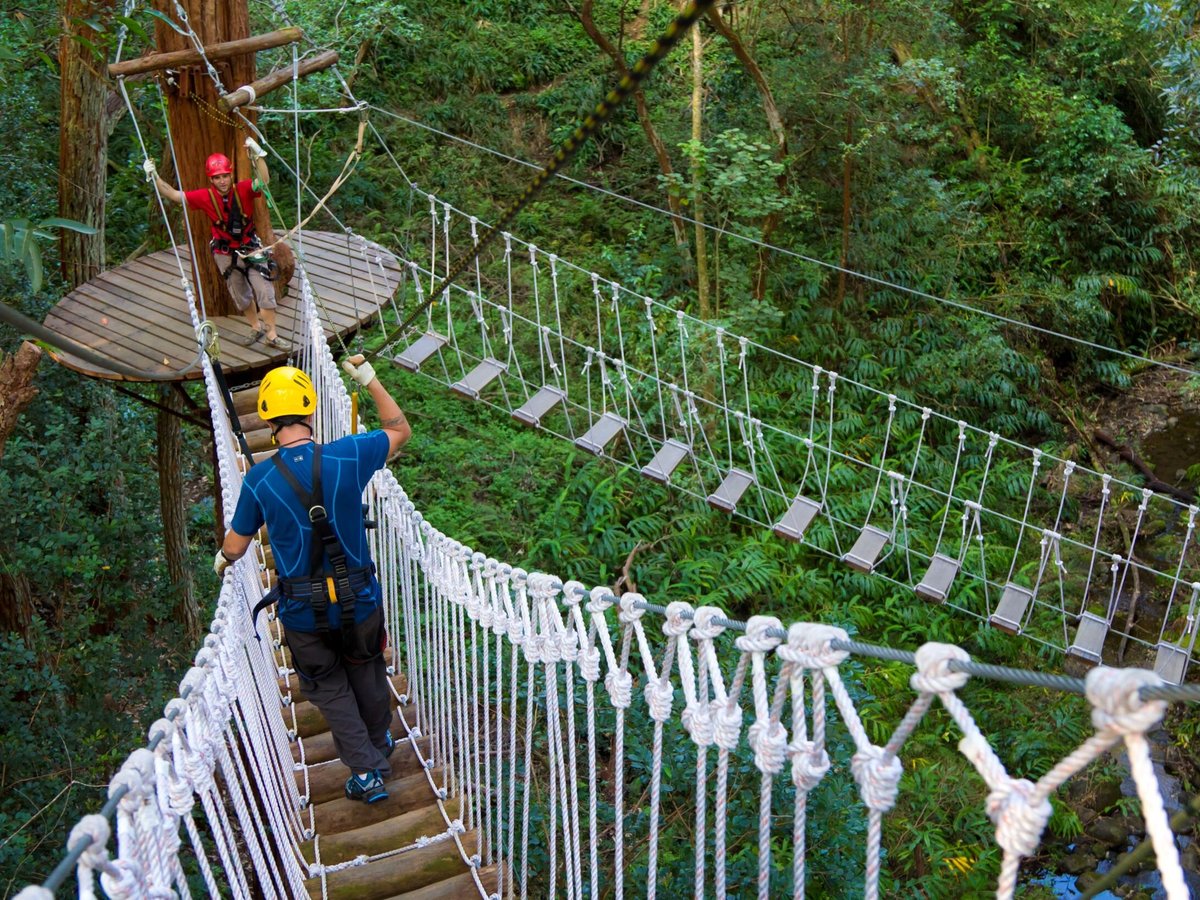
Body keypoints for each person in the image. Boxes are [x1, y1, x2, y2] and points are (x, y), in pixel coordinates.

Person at [214, 356, 412, 803]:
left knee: (328, 686)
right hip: (359, 601)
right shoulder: (349, 454)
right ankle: (378, 744)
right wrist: (370, 380)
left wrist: (223, 561)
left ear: (266, 418)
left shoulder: (259, 482)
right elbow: (399, 429)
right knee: (367, 668)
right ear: (310, 410)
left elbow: (236, 546)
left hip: (303, 614)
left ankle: (366, 772)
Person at [143, 138, 286, 348]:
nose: (222, 181)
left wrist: (258, 155)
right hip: (225, 253)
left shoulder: (244, 188)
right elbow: (174, 195)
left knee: (264, 289)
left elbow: (264, 180)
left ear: (230, 175)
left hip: (250, 247)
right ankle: (255, 327)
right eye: (217, 177)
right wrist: (154, 177)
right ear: (211, 179)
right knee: (240, 292)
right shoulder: (205, 197)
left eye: (225, 176)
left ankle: (271, 334)